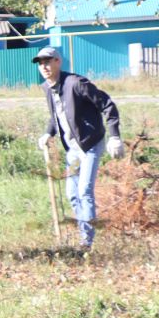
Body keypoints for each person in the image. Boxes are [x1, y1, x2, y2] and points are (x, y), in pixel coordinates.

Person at [32, 46, 122, 250]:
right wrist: (48, 132)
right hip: (72, 148)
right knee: (72, 193)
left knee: (84, 191)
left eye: (48, 61)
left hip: (90, 144)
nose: (44, 66)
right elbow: (57, 116)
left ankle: (86, 243)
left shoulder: (76, 83)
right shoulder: (47, 88)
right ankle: (84, 233)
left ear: (58, 62)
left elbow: (107, 104)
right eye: (40, 63)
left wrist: (114, 136)